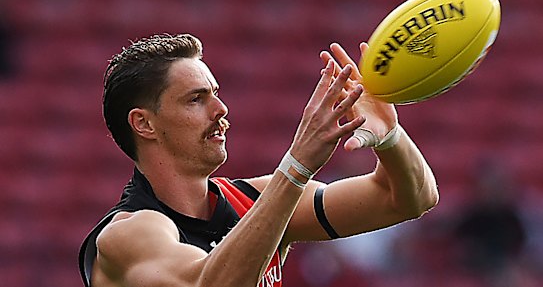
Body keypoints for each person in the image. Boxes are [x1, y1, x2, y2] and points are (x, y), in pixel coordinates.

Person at [78, 33, 439, 287]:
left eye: (216, 95)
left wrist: (390, 136)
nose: (221, 110)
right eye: (195, 99)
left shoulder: (253, 201)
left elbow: (410, 198)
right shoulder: (128, 234)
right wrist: (297, 165)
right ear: (144, 123)